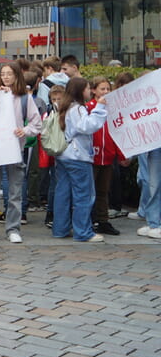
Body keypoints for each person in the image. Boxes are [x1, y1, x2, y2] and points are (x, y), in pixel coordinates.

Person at [0, 63, 41, 244]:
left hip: (15, 149)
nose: (6, 77)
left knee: (15, 192)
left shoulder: (24, 98)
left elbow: (36, 123)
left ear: (16, 76)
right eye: (3, 74)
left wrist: (25, 130)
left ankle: (13, 228)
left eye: (9, 74)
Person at [52, 77, 107, 242]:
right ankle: (83, 232)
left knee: (63, 193)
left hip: (64, 155)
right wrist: (100, 108)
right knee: (84, 194)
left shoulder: (65, 107)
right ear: (80, 90)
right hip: (78, 156)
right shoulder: (77, 109)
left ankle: (60, 228)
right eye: (88, 88)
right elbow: (88, 126)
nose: (90, 91)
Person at [87, 76, 125, 236]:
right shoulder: (88, 107)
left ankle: (103, 221)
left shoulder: (113, 108)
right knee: (90, 191)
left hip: (108, 155)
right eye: (102, 89)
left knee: (103, 191)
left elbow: (119, 130)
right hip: (92, 156)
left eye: (108, 89)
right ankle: (88, 220)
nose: (106, 92)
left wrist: (121, 154)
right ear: (93, 90)